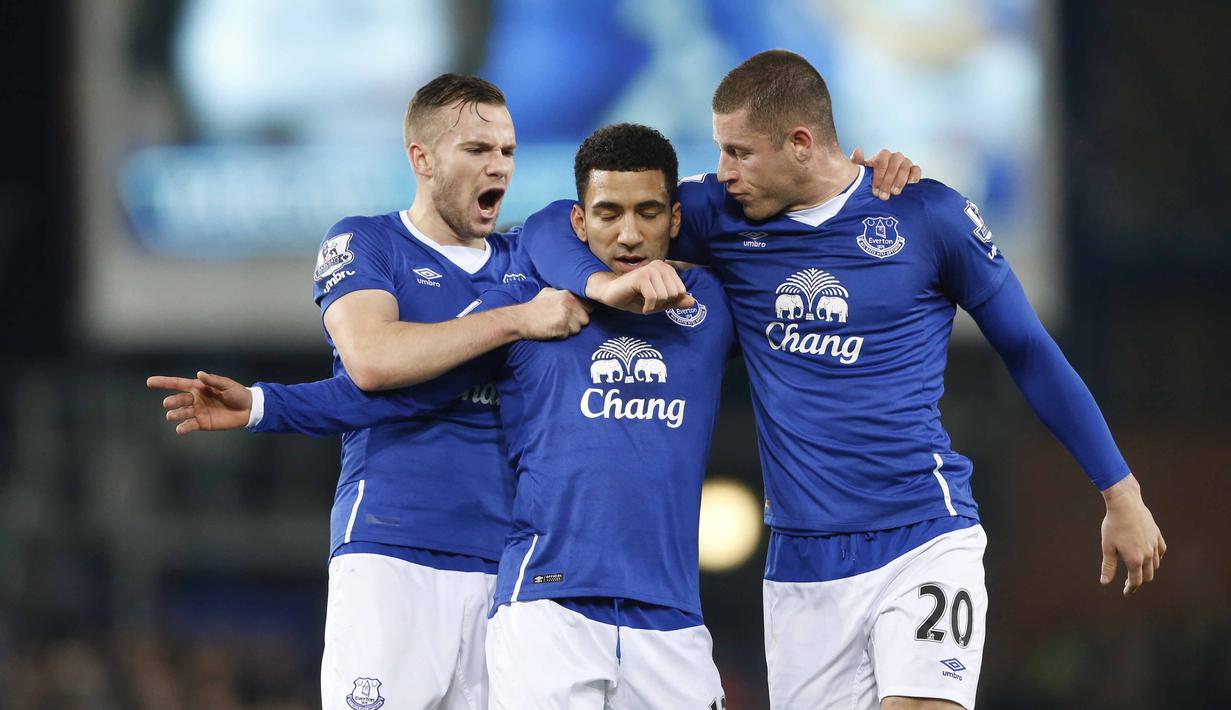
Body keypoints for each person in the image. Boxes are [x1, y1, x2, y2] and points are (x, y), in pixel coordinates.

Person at [521, 50, 1167, 710]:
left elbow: (1028, 350)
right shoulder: (717, 216)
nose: (722, 173)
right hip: (801, 564)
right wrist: (602, 282)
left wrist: (1119, 490)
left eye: (739, 153)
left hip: (920, 532)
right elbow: (547, 225)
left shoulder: (926, 217)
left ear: (800, 143)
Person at [155, 124, 743, 708]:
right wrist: (265, 405)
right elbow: (407, 391)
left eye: (647, 212)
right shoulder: (533, 309)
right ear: (579, 222)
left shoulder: (712, 304)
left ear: (674, 220)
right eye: (608, 213)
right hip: (547, 608)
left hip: (672, 619)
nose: (629, 233)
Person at [150, 73, 591, 710]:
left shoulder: (531, 257)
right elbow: (373, 362)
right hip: (393, 549)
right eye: (476, 150)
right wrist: (517, 318)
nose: (498, 166)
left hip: (514, 566)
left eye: (508, 152)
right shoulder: (367, 242)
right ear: (422, 158)